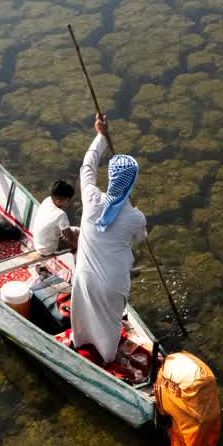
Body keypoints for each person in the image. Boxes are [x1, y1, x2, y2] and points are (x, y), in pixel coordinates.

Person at [70, 113, 147, 363]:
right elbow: (140, 238)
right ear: (132, 183)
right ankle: (107, 358)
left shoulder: (91, 198)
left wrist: (101, 137)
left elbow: (87, 166)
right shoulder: (136, 217)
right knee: (110, 323)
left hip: (84, 275)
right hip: (113, 281)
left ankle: (80, 343)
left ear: (112, 178)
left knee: (82, 314)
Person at [30, 180, 79, 254]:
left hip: (38, 242)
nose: (69, 203)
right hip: (47, 249)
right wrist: (80, 247)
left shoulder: (47, 200)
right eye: (68, 201)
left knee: (76, 230)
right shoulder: (61, 214)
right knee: (77, 244)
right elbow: (70, 237)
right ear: (58, 201)